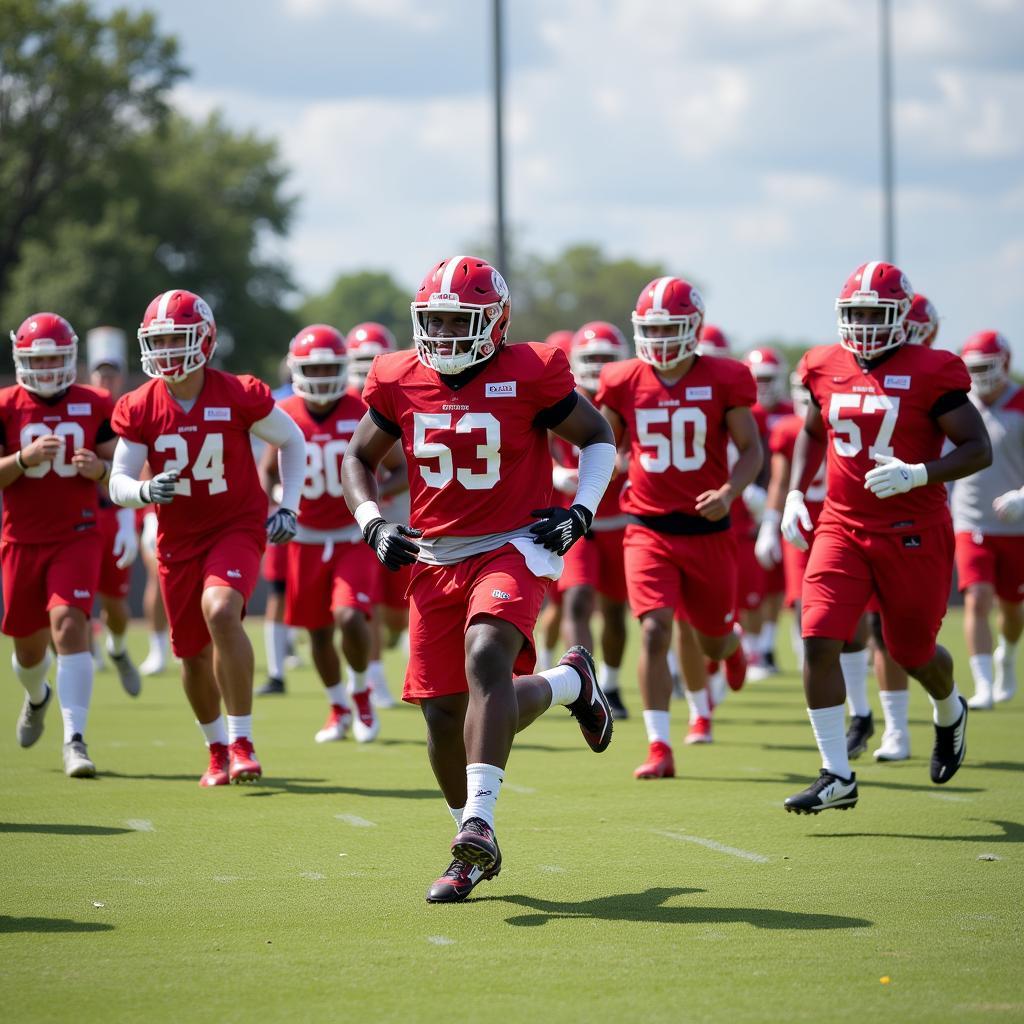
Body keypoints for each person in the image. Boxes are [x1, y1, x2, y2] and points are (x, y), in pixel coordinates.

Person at [342, 255, 616, 903]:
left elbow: (597, 435)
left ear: (495, 322)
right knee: (443, 714)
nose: (441, 333)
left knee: (487, 655)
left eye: (456, 320)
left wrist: (582, 511)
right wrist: (373, 521)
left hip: (514, 543)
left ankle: (478, 824)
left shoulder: (532, 370)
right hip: (436, 555)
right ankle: (570, 684)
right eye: (432, 320)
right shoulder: (398, 376)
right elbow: (359, 456)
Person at [781, 262, 991, 814]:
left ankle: (949, 709)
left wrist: (919, 473)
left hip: (913, 530)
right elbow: (811, 432)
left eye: (878, 313)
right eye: (857, 313)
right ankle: (836, 773)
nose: (867, 324)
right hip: (842, 525)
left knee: (910, 650)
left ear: (903, 316)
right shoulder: (822, 364)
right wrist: (795, 494)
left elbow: (977, 448)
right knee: (818, 636)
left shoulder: (933, 369)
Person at [108, 289, 306, 786]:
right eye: (159, 341)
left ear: (205, 338)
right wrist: (145, 490)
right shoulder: (138, 405)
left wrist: (289, 506)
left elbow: (292, 439)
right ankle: (216, 747)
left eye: (178, 338)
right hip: (178, 539)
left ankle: (242, 741)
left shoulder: (238, 392)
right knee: (191, 656)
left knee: (220, 610)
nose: (168, 351)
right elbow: (117, 482)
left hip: (236, 525)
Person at [597, 276, 762, 779]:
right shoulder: (622, 379)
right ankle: (658, 744)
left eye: (671, 329)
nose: (661, 340)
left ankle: (729, 646)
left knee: (710, 638)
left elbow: (752, 449)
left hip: (708, 527)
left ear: (693, 328)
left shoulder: (726, 376)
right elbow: (602, 444)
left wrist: (730, 493)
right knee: (654, 628)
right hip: (647, 526)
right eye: (652, 329)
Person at [261, 323, 406, 743]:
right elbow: (267, 472)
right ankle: (337, 705)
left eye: (329, 369)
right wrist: (280, 500)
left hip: (352, 533)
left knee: (350, 615)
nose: (322, 378)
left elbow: (401, 467)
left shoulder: (362, 407)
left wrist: (371, 498)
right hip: (304, 537)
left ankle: (361, 692)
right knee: (318, 630)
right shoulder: (285, 412)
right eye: (314, 369)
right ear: (296, 369)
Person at [1, 312, 117, 777]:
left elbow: (123, 473)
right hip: (20, 540)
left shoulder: (97, 403)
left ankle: (75, 739)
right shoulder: (7, 405)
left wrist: (101, 472)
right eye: (39, 360)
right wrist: (21, 460)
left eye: (56, 359)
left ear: (71, 358)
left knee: (70, 626)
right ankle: (37, 696)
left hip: (77, 534)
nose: (48, 369)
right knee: (28, 653)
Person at [552, 321, 631, 718]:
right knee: (578, 598)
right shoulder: (561, 396)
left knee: (616, 611)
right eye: (591, 357)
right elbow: (533, 446)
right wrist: (554, 474)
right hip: (575, 521)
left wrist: (632, 465)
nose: (598, 365)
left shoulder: (629, 398)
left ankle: (613, 685)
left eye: (606, 358)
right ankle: (586, 686)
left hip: (621, 520)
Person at [952, 330, 1023, 709]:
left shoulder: (1022, 402)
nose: (979, 376)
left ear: (1006, 364)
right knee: (977, 598)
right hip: (971, 523)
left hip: (1017, 527)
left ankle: (1006, 655)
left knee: (1012, 611)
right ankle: (982, 684)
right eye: (972, 368)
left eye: (985, 367)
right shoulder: (957, 406)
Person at [347, 321, 405, 709]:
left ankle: (383, 650)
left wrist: (376, 496)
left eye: (375, 360)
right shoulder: (342, 403)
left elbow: (404, 468)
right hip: (347, 520)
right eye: (361, 360)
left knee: (396, 612)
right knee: (361, 604)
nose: (368, 367)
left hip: (396, 508)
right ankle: (373, 678)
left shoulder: (398, 395)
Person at [86, 327, 141, 696]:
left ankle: (117, 649)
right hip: (76, 519)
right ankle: (82, 655)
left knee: (115, 605)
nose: (106, 378)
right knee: (67, 606)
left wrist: (125, 520)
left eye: (112, 372)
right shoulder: (82, 409)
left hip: (115, 511)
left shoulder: (130, 412)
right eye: (100, 371)